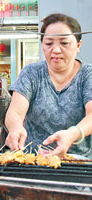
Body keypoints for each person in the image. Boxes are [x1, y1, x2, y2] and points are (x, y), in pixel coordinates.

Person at [5, 13, 92, 158]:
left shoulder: (88, 75)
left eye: (64, 43)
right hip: (34, 160)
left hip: (79, 162)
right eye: (49, 43)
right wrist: (15, 128)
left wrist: (72, 134)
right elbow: (15, 111)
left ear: (78, 45)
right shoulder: (31, 73)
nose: (56, 50)